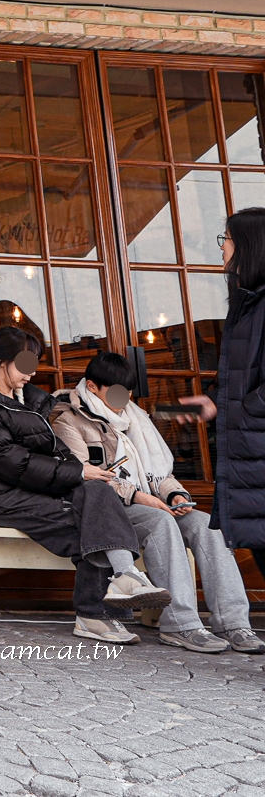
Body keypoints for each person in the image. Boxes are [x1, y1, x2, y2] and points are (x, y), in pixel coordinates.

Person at [0, 327, 169, 644]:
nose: (32, 372)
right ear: (2, 360)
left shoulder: (29, 400)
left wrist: (82, 470)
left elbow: (55, 451)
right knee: (89, 523)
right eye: (26, 363)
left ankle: (123, 579)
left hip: (34, 489)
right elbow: (10, 462)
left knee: (96, 495)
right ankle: (94, 613)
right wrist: (77, 474)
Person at [51, 351, 263, 653]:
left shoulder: (136, 418)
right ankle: (182, 624)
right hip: (112, 509)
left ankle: (234, 623)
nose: (122, 399)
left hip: (151, 501)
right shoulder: (69, 420)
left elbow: (159, 474)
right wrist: (138, 496)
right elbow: (88, 477)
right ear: (92, 386)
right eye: (114, 392)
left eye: (126, 392)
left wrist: (175, 494)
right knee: (161, 523)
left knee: (207, 524)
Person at [181, 207, 265, 617]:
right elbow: (242, 376)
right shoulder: (245, 306)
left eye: (226, 240)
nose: (221, 249)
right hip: (251, 452)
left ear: (249, 247)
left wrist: (243, 412)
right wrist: (215, 399)